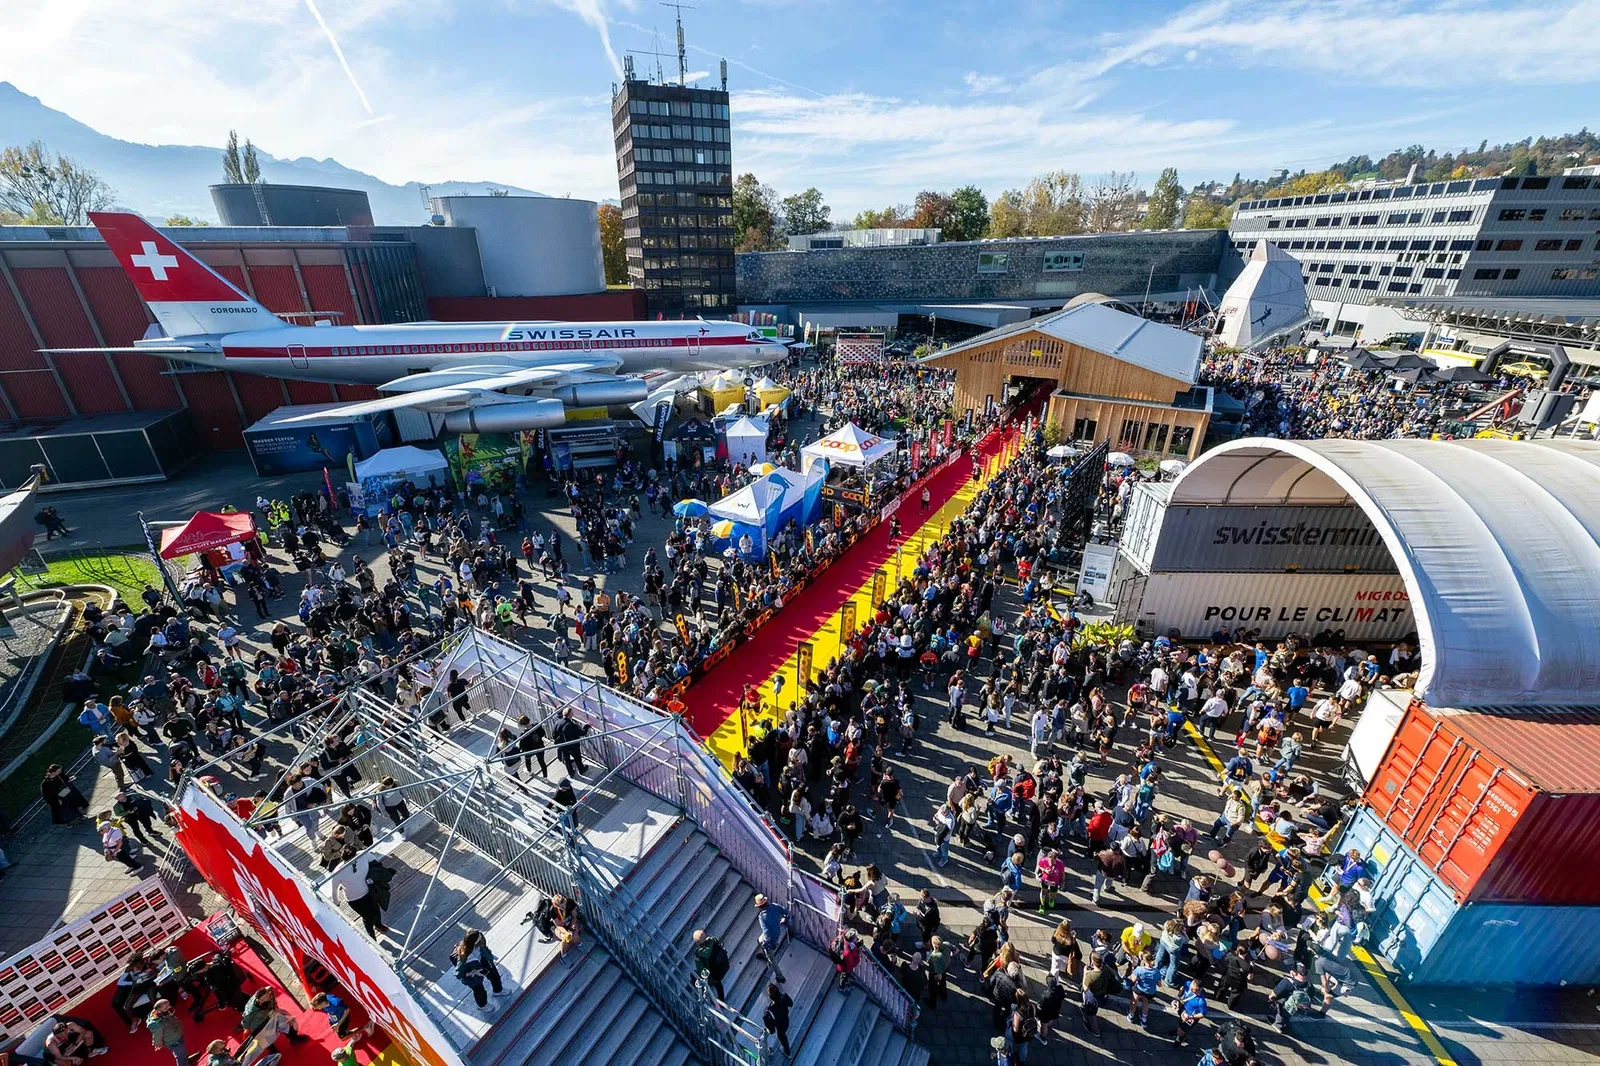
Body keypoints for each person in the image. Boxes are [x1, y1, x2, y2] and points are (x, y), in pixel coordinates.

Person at [329, 848, 389, 939]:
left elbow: (376, 864)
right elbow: (334, 889)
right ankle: (371, 937)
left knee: (376, 909)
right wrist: (336, 902)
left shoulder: (363, 855)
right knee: (368, 917)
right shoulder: (338, 872)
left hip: (369, 891)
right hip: (355, 899)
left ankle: (378, 925)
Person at [451, 930, 507, 1014]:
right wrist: (472, 972)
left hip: (482, 963)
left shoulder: (479, 943)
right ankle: (482, 1005)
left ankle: (498, 991)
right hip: (473, 971)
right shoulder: (464, 956)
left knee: (494, 975)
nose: (481, 937)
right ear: (474, 940)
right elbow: (458, 974)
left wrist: (490, 958)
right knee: (479, 990)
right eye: (479, 937)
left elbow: (485, 949)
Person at [147, 999, 188, 1066]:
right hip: (174, 1041)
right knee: (181, 1056)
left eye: (169, 1005)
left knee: (183, 1052)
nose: (169, 1008)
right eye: (166, 1008)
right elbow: (157, 1036)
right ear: (159, 1010)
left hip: (177, 1035)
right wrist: (158, 1044)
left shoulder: (163, 1013)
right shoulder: (157, 1024)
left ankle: (185, 1061)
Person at [692, 929, 730, 1001]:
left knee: (693, 974)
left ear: (697, 942)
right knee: (718, 985)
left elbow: (701, 971)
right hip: (722, 968)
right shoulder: (714, 940)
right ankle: (721, 1000)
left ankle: (701, 994)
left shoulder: (699, 955)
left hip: (712, 975)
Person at [754, 893, 788, 969]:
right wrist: (784, 918)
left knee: (771, 958)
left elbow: (767, 932)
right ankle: (768, 950)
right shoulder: (774, 906)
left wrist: (767, 943)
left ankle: (779, 976)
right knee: (759, 940)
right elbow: (785, 911)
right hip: (777, 932)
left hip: (770, 938)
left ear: (759, 906)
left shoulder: (762, 917)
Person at [1174, 978, 1208, 1047]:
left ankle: (1180, 1038)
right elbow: (1182, 988)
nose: (1191, 991)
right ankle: (1178, 1031)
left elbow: (1202, 1014)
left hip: (1191, 1017)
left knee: (1183, 1029)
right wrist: (1177, 997)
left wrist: (1191, 1017)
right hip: (1184, 1009)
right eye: (1191, 988)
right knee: (1180, 1022)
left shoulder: (1201, 1001)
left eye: (1194, 990)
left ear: (1200, 989)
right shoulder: (1187, 984)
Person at [763, 981, 793, 1057]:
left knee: (782, 1037)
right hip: (786, 1021)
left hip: (779, 1026)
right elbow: (791, 1004)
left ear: (770, 997)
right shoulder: (784, 997)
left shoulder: (769, 1010)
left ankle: (788, 1053)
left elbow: (771, 1029)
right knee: (783, 1035)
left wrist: (765, 1015)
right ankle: (786, 1051)